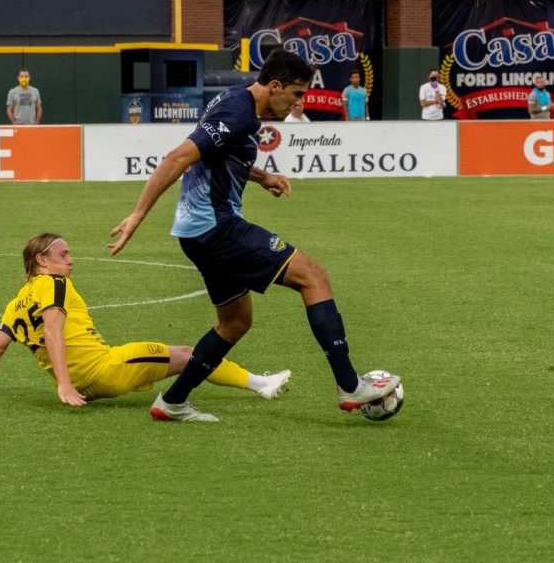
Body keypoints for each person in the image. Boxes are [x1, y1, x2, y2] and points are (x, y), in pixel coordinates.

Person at [108, 49, 400, 423]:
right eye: (296, 94)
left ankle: (173, 402)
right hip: (217, 228)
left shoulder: (237, 102)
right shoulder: (239, 111)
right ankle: (350, 385)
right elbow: (175, 158)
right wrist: (138, 214)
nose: (299, 104)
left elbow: (222, 153)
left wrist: (264, 178)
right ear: (275, 86)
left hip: (197, 232)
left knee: (235, 323)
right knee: (314, 277)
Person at [0, 233, 291, 409]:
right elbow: (53, 330)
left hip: (85, 385)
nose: (71, 260)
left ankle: (253, 383)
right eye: (63, 255)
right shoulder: (54, 284)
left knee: (181, 356)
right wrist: (63, 384)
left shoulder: (15, 304)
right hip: (103, 370)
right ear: (42, 260)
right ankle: (261, 384)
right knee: (187, 353)